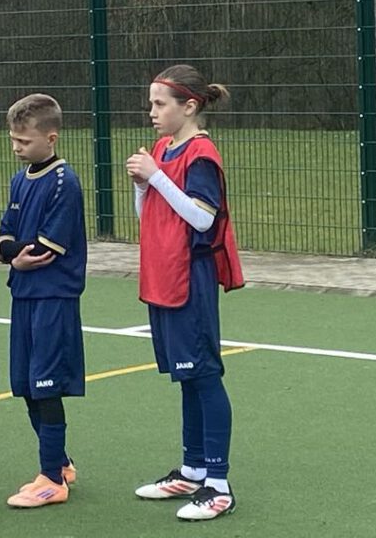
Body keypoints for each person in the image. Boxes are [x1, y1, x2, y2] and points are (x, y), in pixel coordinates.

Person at [125, 64, 245, 521]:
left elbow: (202, 218)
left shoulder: (201, 154)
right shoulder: (161, 149)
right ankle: (193, 470)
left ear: (189, 106)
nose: (152, 112)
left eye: (160, 104)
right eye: (151, 103)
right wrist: (143, 186)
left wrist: (156, 177)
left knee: (204, 375)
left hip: (191, 278)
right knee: (186, 375)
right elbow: (151, 216)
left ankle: (219, 484)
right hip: (162, 275)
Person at [0, 94, 86, 508]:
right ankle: (60, 462)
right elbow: (3, 238)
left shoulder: (65, 183)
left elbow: (45, 248)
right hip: (23, 294)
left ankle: (51, 479)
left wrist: (13, 251)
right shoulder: (19, 180)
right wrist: (11, 253)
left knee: (46, 385)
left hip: (53, 297)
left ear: (51, 138)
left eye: (24, 141)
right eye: (13, 140)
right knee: (27, 385)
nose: (17, 148)